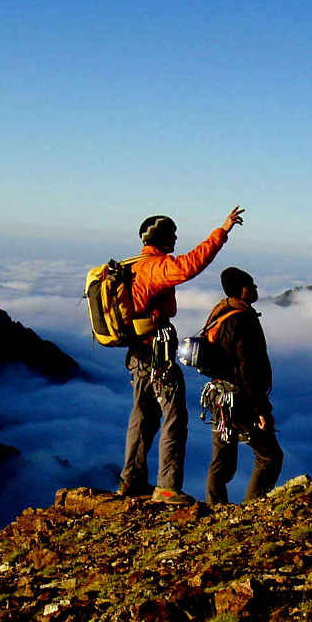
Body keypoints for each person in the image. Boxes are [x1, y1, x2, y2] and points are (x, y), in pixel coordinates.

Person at [118, 206, 245, 504]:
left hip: (137, 354)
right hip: (156, 354)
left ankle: (130, 480)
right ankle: (166, 487)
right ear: (161, 238)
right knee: (174, 416)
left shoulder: (131, 265)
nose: (176, 240)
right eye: (172, 235)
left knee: (143, 416)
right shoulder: (154, 267)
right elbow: (190, 265)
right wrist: (222, 232)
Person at [202, 267, 283, 505]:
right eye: (252, 285)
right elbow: (246, 368)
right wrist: (260, 409)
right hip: (241, 401)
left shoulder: (221, 312)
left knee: (222, 459)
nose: (256, 288)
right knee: (270, 456)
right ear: (241, 289)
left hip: (219, 396)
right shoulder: (241, 320)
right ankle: (252, 507)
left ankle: (214, 509)